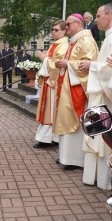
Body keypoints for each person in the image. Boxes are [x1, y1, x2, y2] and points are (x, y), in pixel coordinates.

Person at [79, 3, 112, 189]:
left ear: (109, 16)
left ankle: (103, 179)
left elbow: (111, 70)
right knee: (96, 135)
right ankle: (94, 177)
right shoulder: (111, 36)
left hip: (105, 96)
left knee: (102, 137)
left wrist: (91, 65)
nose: (95, 20)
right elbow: (106, 64)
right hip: (100, 93)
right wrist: (93, 64)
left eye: (98, 16)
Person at [53, 13, 99, 171]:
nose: (66, 28)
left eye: (68, 24)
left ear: (78, 24)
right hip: (67, 85)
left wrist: (68, 64)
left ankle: (75, 159)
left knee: (73, 120)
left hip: (76, 88)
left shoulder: (86, 41)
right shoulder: (75, 41)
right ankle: (67, 157)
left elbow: (86, 66)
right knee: (64, 117)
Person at [33, 20, 69, 148]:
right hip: (50, 82)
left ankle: (47, 138)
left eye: (56, 30)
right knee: (49, 109)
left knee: (50, 110)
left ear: (64, 31)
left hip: (55, 82)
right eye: (52, 30)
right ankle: (51, 137)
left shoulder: (64, 45)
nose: (53, 32)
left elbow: (57, 64)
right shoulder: (56, 44)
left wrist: (44, 58)